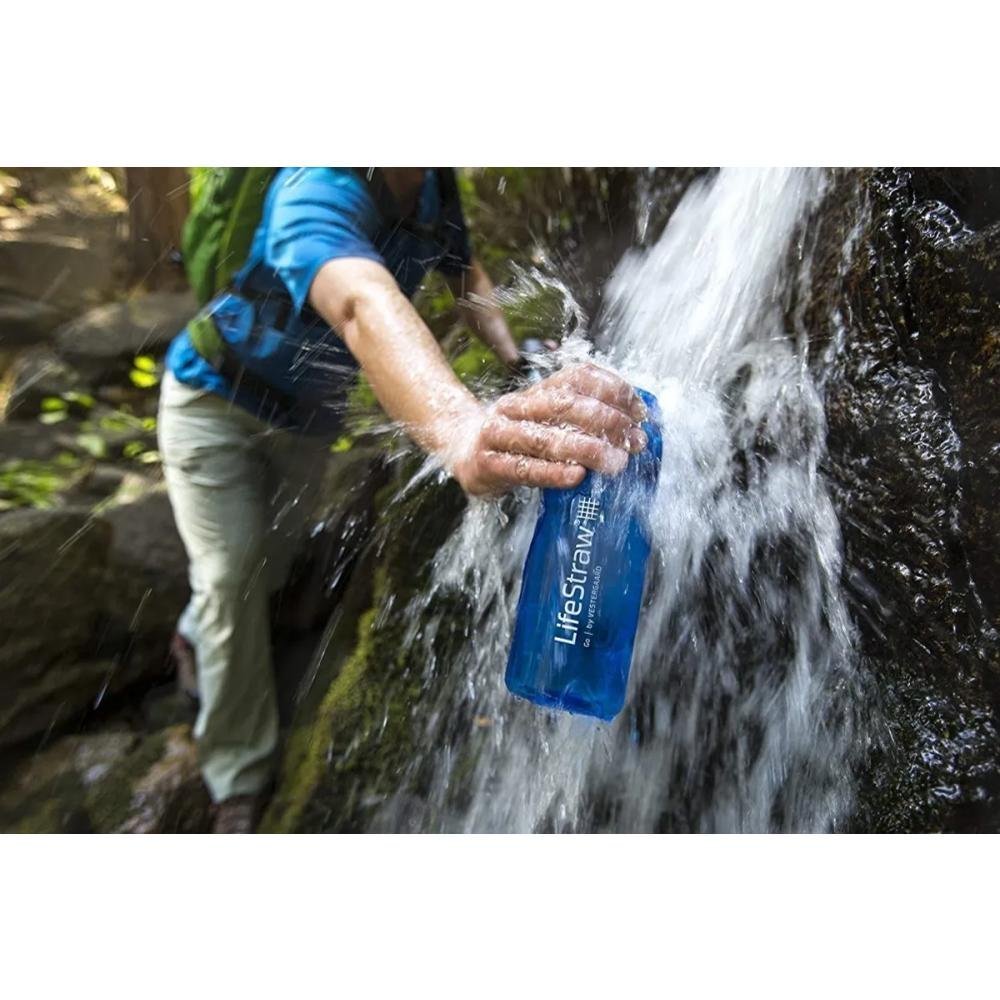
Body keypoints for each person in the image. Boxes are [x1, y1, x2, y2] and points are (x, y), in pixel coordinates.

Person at [158, 167, 649, 833]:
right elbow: (361, 301)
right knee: (230, 572)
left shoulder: (429, 188)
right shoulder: (313, 190)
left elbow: (466, 275)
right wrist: (460, 428)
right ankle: (236, 779)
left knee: (261, 563)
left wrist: (514, 351)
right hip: (211, 405)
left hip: (302, 427)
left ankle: (196, 632)